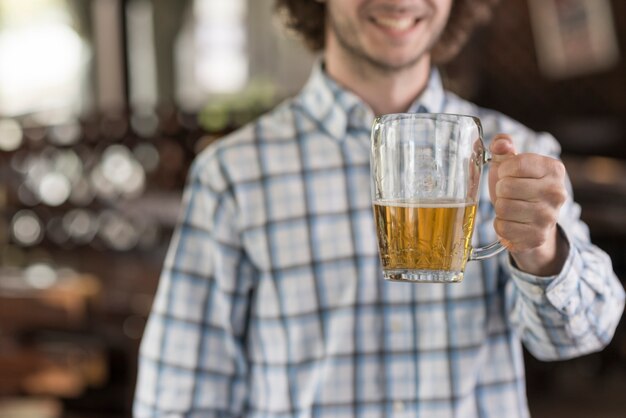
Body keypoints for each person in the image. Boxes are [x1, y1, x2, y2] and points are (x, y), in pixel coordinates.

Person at [133, 0, 625, 417]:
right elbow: (180, 395)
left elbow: (584, 332)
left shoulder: (518, 153)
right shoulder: (233, 174)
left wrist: (540, 251)